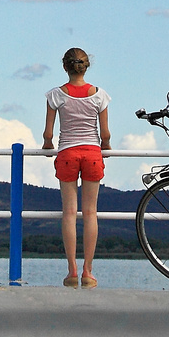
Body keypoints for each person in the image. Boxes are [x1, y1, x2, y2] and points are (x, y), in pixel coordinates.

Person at [42, 47, 110, 288]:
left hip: (68, 153)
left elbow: (49, 133)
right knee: (90, 213)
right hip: (92, 153)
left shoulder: (56, 95)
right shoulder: (100, 95)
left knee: (69, 213)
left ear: (65, 66)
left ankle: (71, 270)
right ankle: (88, 272)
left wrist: (48, 144)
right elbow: (105, 134)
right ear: (86, 65)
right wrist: (107, 146)